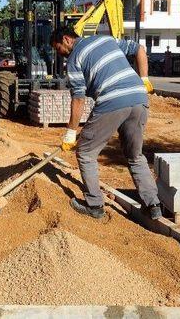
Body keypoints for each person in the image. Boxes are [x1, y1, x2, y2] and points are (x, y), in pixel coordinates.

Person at [50, 27, 161, 220]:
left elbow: (78, 98)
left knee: (85, 153)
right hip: (139, 98)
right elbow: (139, 49)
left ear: (66, 40)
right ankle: (153, 205)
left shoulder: (74, 59)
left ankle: (94, 205)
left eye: (57, 47)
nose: (57, 52)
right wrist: (144, 79)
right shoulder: (105, 40)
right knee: (135, 155)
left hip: (112, 101)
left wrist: (70, 132)